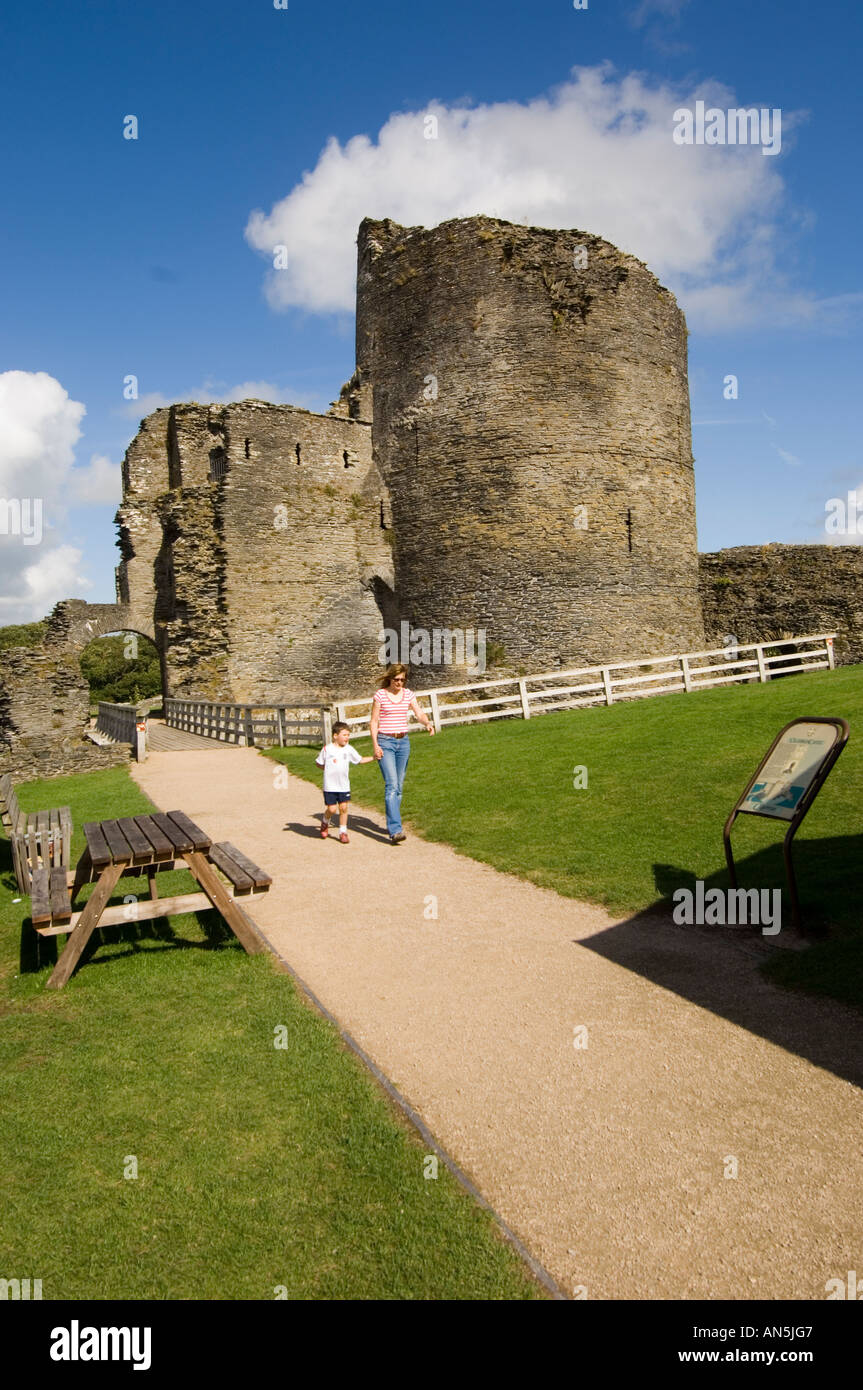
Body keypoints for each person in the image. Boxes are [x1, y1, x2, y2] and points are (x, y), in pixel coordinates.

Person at [369, 663, 435, 844]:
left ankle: (393, 823)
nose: (400, 683)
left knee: (399, 787)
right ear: (390, 678)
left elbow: (418, 713)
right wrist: (375, 745)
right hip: (385, 742)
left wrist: (426, 723)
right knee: (391, 784)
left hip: (403, 743)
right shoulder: (380, 695)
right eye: (397, 679)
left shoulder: (408, 694)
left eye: (403, 680)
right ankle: (396, 829)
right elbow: (374, 722)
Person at [315, 721, 374, 844]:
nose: (347, 737)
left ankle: (343, 832)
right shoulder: (327, 749)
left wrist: (374, 758)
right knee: (331, 809)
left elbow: (360, 760)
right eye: (344, 735)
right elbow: (319, 763)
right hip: (330, 786)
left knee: (343, 808)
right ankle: (325, 822)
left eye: (348, 735)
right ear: (335, 736)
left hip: (343, 785)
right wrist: (328, 769)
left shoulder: (349, 749)